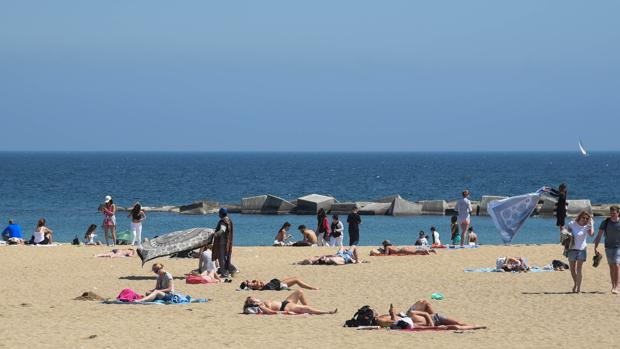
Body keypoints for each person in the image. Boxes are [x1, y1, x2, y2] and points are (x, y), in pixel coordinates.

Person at [375, 300, 485, 330]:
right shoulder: (411, 324)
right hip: (434, 322)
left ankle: (475, 325)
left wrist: (432, 326)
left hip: (436, 317)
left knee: (458, 323)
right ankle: (476, 326)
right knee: (456, 326)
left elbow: (427, 315)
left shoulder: (411, 314)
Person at [243, 290, 337, 315]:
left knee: (299, 292)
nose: (256, 298)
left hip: (285, 302)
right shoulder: (261, 307)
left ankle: (311, 309)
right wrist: (285, 312)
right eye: (253, 299)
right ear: (253, 303)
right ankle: (327, 312)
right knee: (306, 309)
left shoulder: (261, 303)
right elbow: (272, 312)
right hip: (285, 307)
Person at [594, 205, 620, 294]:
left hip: (618, 247)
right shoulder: (605, 222)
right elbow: (599, 235)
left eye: (614, 213)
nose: (612, 215)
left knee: (616, 265)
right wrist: (596, 247)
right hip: (608, 247)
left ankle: (616, 287)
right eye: (611, 213)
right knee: (611, 266)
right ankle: (613, 286)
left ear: (618, 213)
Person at [566, 211, 594, 293]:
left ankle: (578, 289)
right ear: (580, 217)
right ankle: (576, 283)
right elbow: (567, 234)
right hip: (572, 249)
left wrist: (591, 224)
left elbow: (592, 235)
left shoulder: (587, 226)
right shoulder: (572, 223)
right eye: (583, 218)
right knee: (572, 269)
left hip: (582, 250)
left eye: (586, 218)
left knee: (579, 269)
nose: (585, 220)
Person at [212, 207, 238, 277]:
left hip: (222, 242)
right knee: (224, 258)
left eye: (219, 213)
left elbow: (222, 230)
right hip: (227, 242)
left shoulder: (223, 221)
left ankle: (225, 272)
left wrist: (215, 234)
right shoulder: (228, 220)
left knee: (221, 258)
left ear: (221, 214)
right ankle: (232, 270)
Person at [240, 277, 319, 291]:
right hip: (278, 285)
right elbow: (263, 285)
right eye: (247, 282)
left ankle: (311, 287)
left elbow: (262, 283)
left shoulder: (255, 283)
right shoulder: (255, 287)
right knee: (296, 280)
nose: (248, 281)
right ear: (248, 286)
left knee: (295, 278)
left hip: (276, 283)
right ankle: (312, 288)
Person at [370, 240, 436, 256]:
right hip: (402, 249)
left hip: (402, 250)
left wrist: (379, 253)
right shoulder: (391, 246)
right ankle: (431, 250)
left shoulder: (387, 247)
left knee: (414, 252)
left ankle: (426, 251)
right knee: (415, 251)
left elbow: (386, 254)